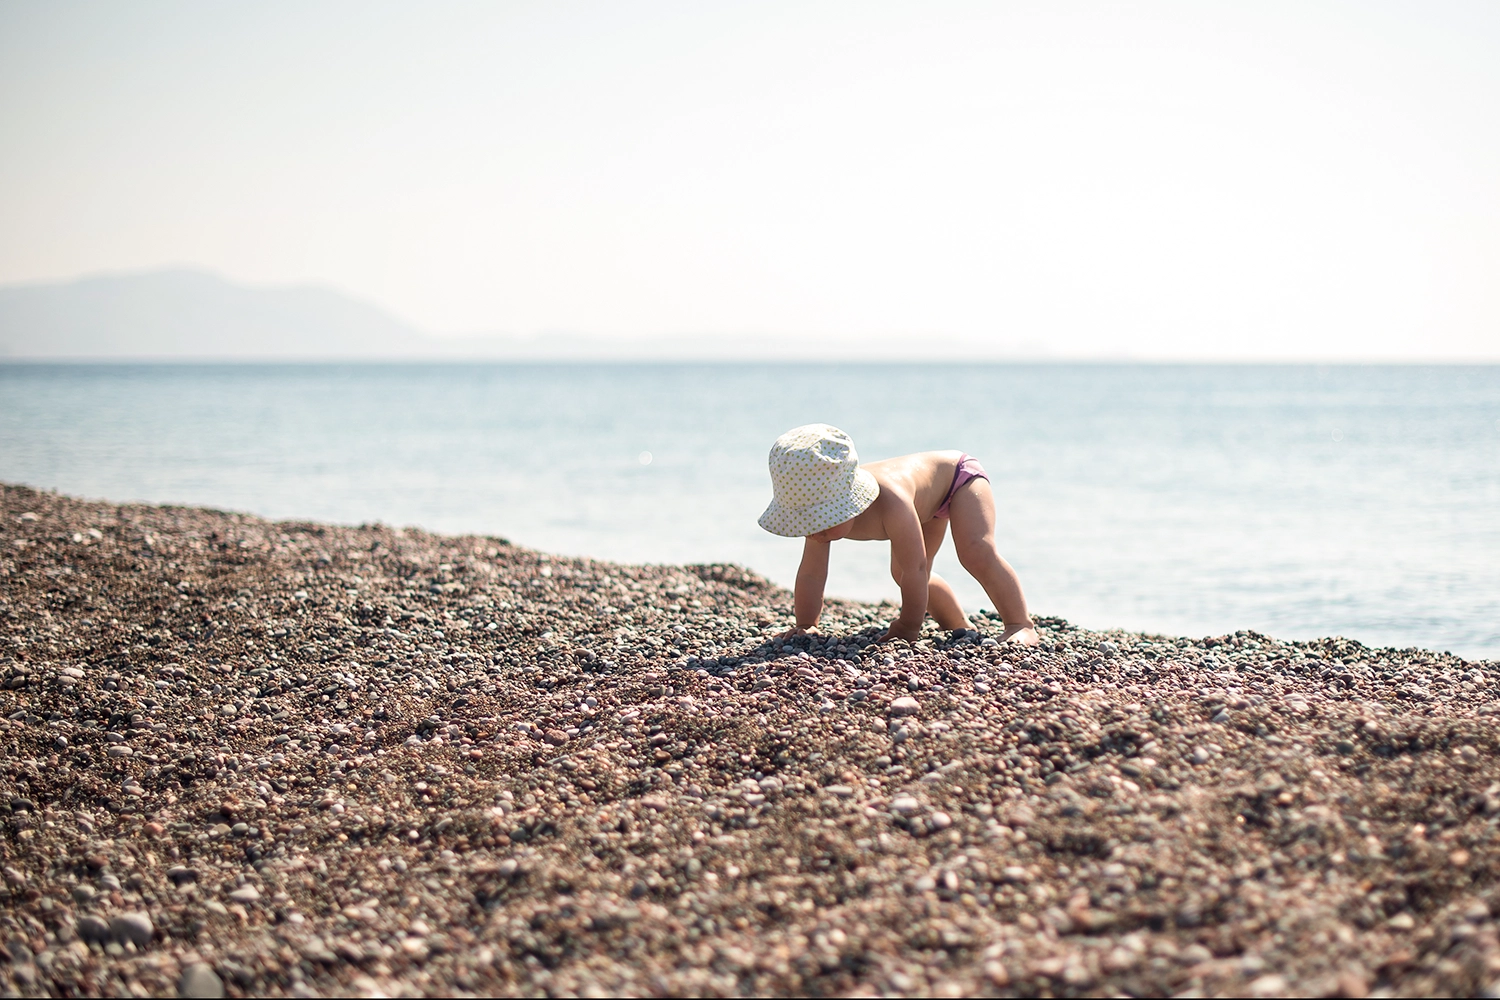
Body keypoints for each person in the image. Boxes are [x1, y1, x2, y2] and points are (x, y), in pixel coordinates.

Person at [759, 423, 1039, 645]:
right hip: (925, 499)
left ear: (846, 503)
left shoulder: (891, 503)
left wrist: (908, 625)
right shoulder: (818, 520)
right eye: (805, 521)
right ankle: (959, 627)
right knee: (903, 574)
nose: (813, 531)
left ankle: (1020, 623)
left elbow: (914, 567)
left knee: (974, 552)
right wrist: (806, 624)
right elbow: (812, 573)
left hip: (957, 480)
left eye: (820, 519)